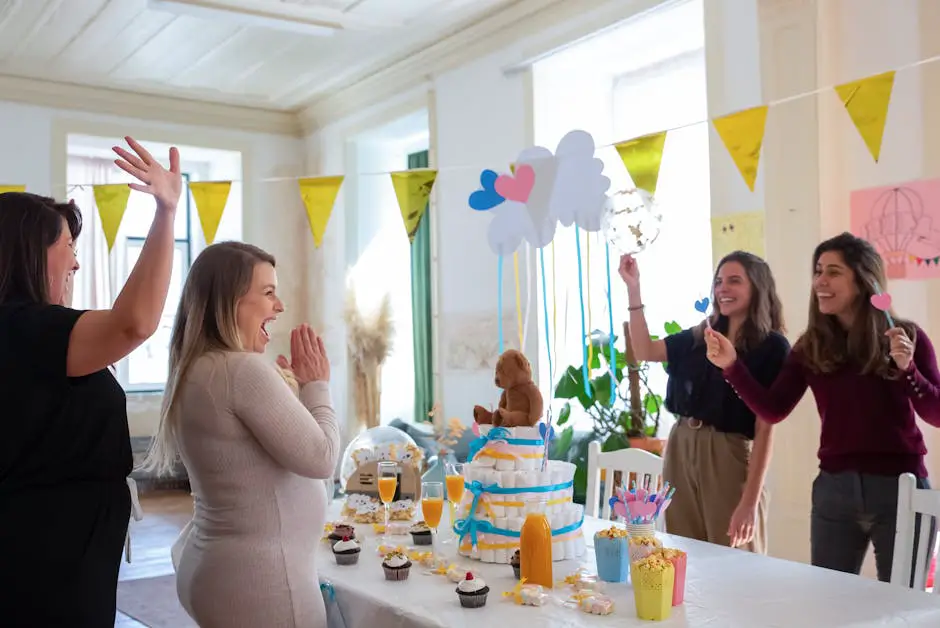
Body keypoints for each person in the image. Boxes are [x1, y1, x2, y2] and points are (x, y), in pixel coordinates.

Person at [0, 138, 182, 625]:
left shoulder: (28, 330)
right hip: (45, 563)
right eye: (68, 247)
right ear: (29, 254)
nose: (76, 263)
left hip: (57, 554)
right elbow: (134, 323)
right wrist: (166, 213)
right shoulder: (24, 328)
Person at [705, 232, 940, 583]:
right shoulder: (810, 346)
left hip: (902, 490)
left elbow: (935, 414)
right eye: (817, 271)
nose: (820, 282)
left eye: (833, 272)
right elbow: (773, 410)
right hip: (835, 491)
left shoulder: (907, 336)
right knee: (830, 604)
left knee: (903, 608)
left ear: (864, 281)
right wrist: (732, 366)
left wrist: (909, 371)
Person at [142, 241, 340, 627]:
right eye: (268, 293)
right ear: (230, 301)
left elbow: (253, 463)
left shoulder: (199, 367)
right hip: (262, 586)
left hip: (217, 569)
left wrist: (293, 395)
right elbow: (322, 457)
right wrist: (317, 386)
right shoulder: (241, 370)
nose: (279, 306)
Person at [620, 250, 790, 553]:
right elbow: (645, 349)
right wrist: (634, 289)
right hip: (681, 446)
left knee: (737, 561)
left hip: (729, 452)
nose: (723, 288)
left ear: (757, 287)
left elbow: (766, 429)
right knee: (687, 555)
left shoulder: (772, 347)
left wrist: (749, 503)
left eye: (735, 281)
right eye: (719, 281)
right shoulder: (701, 336)